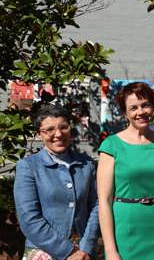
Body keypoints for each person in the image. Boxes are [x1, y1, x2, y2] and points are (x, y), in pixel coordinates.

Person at [97, 82, 154, 260]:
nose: (140, 112)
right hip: (125, 229)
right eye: (133, 108)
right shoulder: (111, 145)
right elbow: (104, 201)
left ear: (152, 106)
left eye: (145, 105)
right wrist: (111, 250)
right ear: (125, 112)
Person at [14, 104, 98, 260]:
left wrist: (86, 246)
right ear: (39, 134)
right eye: (49, 130)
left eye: (63, 127)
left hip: (83, 251)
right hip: (43, 250)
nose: (58, 134)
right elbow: (29, 218)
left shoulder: (86, 164)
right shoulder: (28, 167)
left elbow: (96, 206)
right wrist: (68, 251)